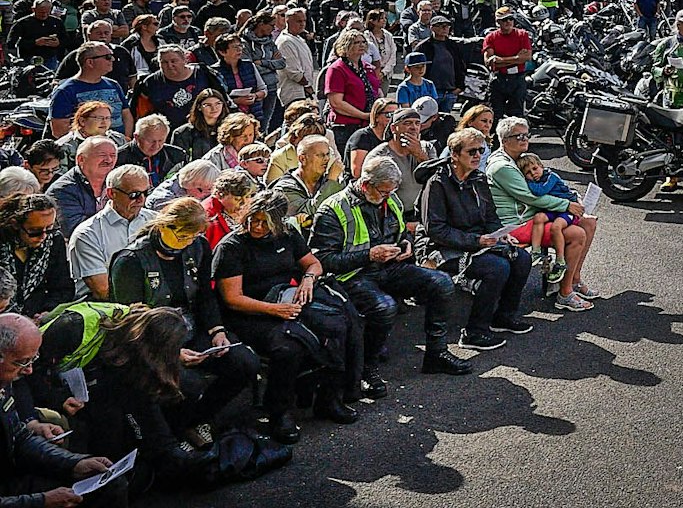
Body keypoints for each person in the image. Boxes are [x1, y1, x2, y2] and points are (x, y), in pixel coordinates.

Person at [0, 312, 156, 508]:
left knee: (106, 485)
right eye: (22, 363)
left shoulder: (4, 383)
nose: (29, 371)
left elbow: (20, 439)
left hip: (9, 484)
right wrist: (41, 502)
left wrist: (74, 463)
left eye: (33, 360)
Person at [311, 156, 472, 390]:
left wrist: (406, 244)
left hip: (388, 266)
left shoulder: (390, 199)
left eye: (391, 192)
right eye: (384, 192)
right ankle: (366, 368)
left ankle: (436, 353)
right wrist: (368, 255)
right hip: (350, 276)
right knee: (384, 306)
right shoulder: (333, 209)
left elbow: (403, 232)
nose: (387, 197)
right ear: (365, 185)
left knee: (442, 283)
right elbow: (322, 260)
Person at [108, 198, 260, 446]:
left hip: (192, 328)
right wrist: (172, 352)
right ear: (164, 225)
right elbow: (131, 321)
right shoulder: (131, 260)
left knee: (245, 363)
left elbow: (204, 295)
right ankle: (174, 433)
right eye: (182, 236)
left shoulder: (198, 247)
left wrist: (217, 331)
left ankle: (196, 419)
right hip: (152, 341)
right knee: (188, 384)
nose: (187, 242)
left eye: (193, 236)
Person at [213, 189, 359, 441]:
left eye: (265, 223)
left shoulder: (288, 235)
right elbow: (232, 299)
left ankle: (329, 397)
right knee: (288, 348)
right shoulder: (232, 247)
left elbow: (313, 263)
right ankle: (279, 412)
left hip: (286, 298)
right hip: (250, 311)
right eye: (253, 220)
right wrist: (274, 310)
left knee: (336, 326)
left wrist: (308, 279)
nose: (257, 227)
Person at [31, 303, 208, 479]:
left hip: (91, 378)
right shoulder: (74, 326)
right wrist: (58, 398)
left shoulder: (133, 334)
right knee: (109, 422)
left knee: (170, 391)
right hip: (47, 382)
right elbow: (29, 368)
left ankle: (170, 456)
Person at [419, 129, 535, 351]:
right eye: (471, 151)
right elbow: (435, 230)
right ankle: (474, 332)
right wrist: (476, 240)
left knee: (521, 258)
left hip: (478, 241)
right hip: (443, 248)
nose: (478, 156)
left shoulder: (478, 178)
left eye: (481, 150)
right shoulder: (437, 183)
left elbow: (490, 216)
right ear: (454, 154)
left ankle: (504, 317)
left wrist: (501, 233)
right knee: (497, 267)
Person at [488, 118, 597, 312]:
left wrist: (572, 197)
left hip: (532, 216)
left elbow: (547, 184)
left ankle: (574, 279)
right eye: (518, 136)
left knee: (589, 223)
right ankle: (564, 294)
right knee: (577, 234)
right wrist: (567, 204)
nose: (524, 139)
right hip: (516, 224)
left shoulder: (519, 159)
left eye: (526, 134)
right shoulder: (502, 166)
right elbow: (531, 197)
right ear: (504, 141)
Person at [66, 165, 153, 300]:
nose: (142, 200)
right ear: (111, 193)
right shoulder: (87, 234)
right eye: (134, 195)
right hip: (103, 307)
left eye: (146, 193)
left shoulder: (155, 221)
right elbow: (103, 291)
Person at [48, 41, 132, 139]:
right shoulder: (65, 91)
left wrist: (126, 139)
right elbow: (58, 130)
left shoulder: (113, 85)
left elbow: (126, 114)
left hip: (118, 144)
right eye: (108, 57)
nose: (113, 59)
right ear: (90, 62)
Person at [2, 193, 69, 317]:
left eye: (49, 228)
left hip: (39, 315)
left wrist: (47, 311)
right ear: (15, 224)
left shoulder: (53, 240)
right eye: (34, 231)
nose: (43, 236)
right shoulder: (3, 244)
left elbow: (62, 286)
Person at [322, 29, 381, 152]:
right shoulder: (336, 69)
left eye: (363, 42)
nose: (361, 45)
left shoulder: (367, 67)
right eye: (356, 42)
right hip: (345, 126)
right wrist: (364, 115)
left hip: (368, 124)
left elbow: (377, 90)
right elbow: (336, 103)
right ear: (345, 45)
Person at [271, 134, 344, 231]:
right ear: (302, 159)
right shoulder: (284, 188)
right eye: (320, 155)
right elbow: (310, 213)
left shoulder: (333, 182)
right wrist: (331, 182)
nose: (326, 159)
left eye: (327, 154)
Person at [481, 7, 532, 120]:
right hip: (499, 79)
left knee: (516, 116)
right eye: (504, 20)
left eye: (510, 18)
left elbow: (526, 57)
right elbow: (490, 63)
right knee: (495, 115)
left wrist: (501, 60)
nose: (508, 22)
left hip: (517, 78)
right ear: (498, 22)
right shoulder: (491, 37)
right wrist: (516, 59)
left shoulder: (522, 34)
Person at [116, 115, 186, 187]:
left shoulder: (177, 156)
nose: (156, 146)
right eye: (151, 141)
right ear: (137, 137)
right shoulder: (118, 158)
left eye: (161, 140)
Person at [170, 87, 227, 158]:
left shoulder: (229, 129)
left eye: (218, 103)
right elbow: (178, 160)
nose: (214, 108)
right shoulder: (182, 133)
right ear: (199, 107)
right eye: (208, 105)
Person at [146, 159, 218, 211]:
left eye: (210, 190)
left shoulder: (193, 191)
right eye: (201, 190)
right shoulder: (165, 199)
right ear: (189, 183)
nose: (206, 195)